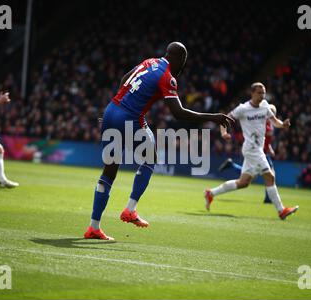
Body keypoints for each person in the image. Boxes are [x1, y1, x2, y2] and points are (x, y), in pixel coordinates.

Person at [83, 42, 233, 240]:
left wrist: (119, 107)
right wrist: (213, 117)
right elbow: (178, 113)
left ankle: (94, 227)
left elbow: (124, 79)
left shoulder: (149, 62)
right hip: (129, 117)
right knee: (151, 158)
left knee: (109, 169)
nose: (183, 67)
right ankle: (130, 210)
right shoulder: (167, 77)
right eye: (184, 62)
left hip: (111, 111)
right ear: (178, 58)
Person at [204, 82, 298, 220]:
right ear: (252, 93)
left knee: (243, 183)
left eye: (264, 92)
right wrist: (224, 132)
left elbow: (274, 121)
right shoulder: (243, 108)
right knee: (270, 176)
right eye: (259, 92)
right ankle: (281, 210)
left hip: (256, 149)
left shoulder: (265, 106)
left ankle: (210, 193)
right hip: (252, 148)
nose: (262, 95)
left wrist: (282, 125)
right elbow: (225, 119)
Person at [218, 104, 278, 203]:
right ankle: (269, 199)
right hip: (258, 152)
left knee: (250, 177)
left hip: (263, 151)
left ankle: (231, 165)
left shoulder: (270, 124)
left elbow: (266, 140)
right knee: (270, 174)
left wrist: (270, 148)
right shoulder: (262, 123)